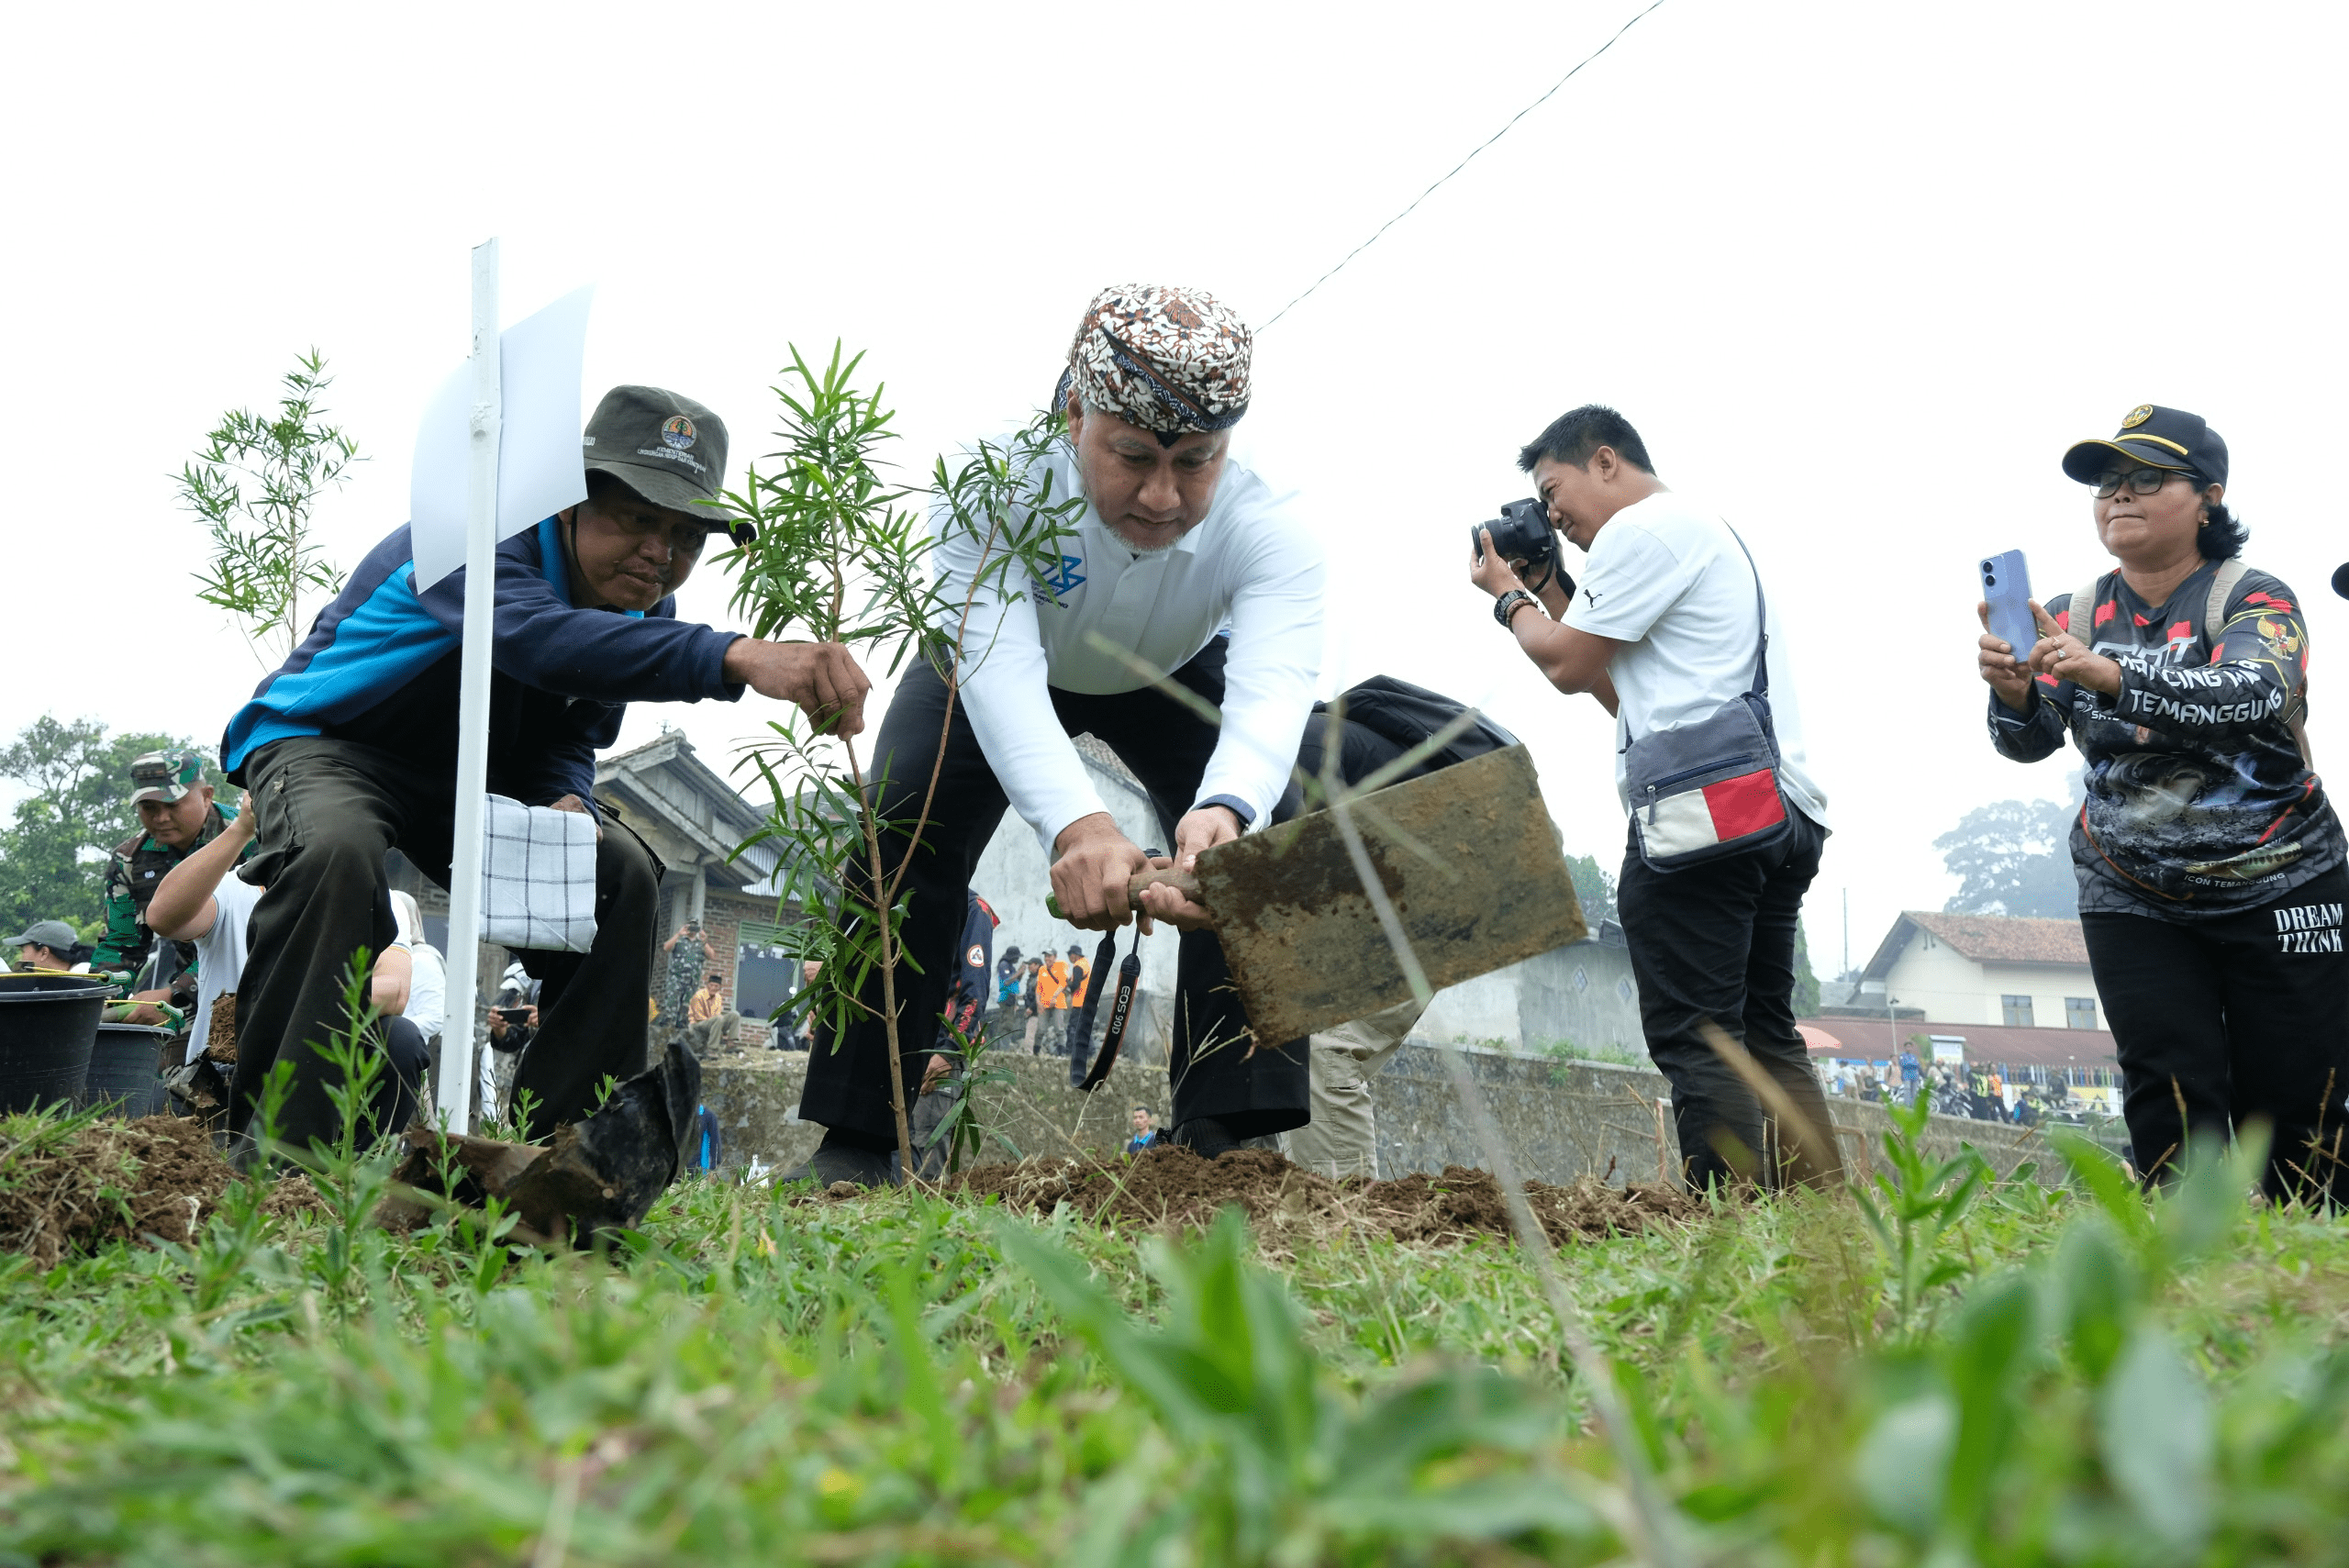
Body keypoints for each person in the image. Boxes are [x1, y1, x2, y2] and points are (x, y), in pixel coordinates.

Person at [217, 384, 871, 1153]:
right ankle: (279, 1153)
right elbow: (538, 638)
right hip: (331, 743)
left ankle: (559, 1154)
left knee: (619, 869)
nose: (661, 553)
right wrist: (735, 654)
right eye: (638, 518)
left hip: (467, 782)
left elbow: (575, 727)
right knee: (336, 848)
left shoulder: (636, 609)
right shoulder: (474, 537)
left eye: (687, 536)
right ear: (569, 500)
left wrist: (566, 794)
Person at [787, 284, 1324, 1186]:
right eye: (1131, 456)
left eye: (1195, 462)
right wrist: (1078, 823)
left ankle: (1228, 1138)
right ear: (1074, 414)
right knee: (903, 820)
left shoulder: (1270, 521)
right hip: (1003, 646)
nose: (1161, 495)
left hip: (1173, 662)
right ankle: (858, 1139)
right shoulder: (989, 480)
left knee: (1272, 824)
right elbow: (997, 670)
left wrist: (1225, 808)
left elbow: (1272, 685)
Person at [1978, 404, 2347, 1201]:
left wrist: (2111, 676)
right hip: (2131, 887)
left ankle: (2309, 1271)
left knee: (2299, 1106)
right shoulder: (2077, 612)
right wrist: (2013, 693)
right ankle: (2182, 1269)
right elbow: (2031, 740)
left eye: (2147, 479)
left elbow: (2255, 689)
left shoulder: (2251, 596)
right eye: (2109, 483)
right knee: (2168, 1091)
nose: (2120, 496)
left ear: (2209, 496)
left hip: (2282, 878)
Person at [1467, 404, 1836, 1192]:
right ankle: (1820, 1218)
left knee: (1700, 1034)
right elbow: (1611, 687)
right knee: (1765, 1033)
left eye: (1553, 488)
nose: (1553, 513)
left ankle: (1733, 1224)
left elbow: (1564, 665)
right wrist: (1546, 586)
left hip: (1703, 819)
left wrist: (1507, 598)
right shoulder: (1696, 530)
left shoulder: (1641, 532)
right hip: (1774, 808)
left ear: (1606, 461)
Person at [91, 750, 246, 1025]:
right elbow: (121, 945)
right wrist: (101, 1001)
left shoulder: (249, 837)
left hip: (255, 982)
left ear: (207, 795)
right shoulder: (130, 861)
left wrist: (176, 992)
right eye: (149, 807)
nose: (161, 818)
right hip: (190, 999)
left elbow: (263, 932)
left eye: (173, 806)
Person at [684, 973, 741, 1058]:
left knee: (735, 1015)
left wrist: (718, 1025)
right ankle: (712, 1049)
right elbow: (698, 1017)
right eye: (711, 985)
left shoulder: (718, 998)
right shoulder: (699, 996)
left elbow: (717, 1015)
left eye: (716, 986)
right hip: (697, 1025)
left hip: (713, 1022)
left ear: (720, 988)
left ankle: (731, 1045)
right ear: (707, 985)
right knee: (718, 1019)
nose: (713, 988)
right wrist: (716, 1023)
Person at [6, 920, 89, 973]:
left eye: (23, 951)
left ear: (44, 953)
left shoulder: (80, 982)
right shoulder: (82, 979)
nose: (21, 959)